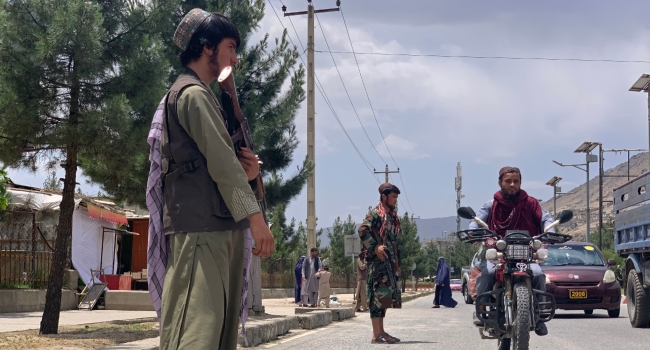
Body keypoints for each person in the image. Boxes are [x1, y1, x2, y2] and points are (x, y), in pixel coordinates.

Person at [157, 9, 274, 350]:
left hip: (218, 228)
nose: (235, 59)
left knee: (219, 335)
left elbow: (225, 165)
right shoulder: (192, 95)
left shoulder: (206, 96)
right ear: (206, 47)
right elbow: (223, 167)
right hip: (202, 231)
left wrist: (250, 176)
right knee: (198, 333)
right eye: (230, 47)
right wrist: (256, 218)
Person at [470, 166, 554, 336]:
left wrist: (549, 231)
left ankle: (539, 315)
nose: (512, 184)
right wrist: (474, 231)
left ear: (520, 183)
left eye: (516, 181)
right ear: (500, 182)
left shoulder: (531, 203)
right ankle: (483, 312)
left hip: (526, 255)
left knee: (537, 274)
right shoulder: (491, 205)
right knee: (487, 274)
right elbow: (477, 221)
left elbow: (546, 218)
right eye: (508, 181)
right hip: (498, 255)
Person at [358, 183, 403, 344]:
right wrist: (375, 247)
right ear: (384, 197)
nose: (395, 200)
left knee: (384, 298)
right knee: (376, 298)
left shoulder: (391, 216)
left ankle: (381, 332)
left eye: (397, 197)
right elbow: (362, 230)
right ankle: (376, 334)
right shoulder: (376, 214)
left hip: (388, 264)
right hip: (377, 264)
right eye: (393, 197)